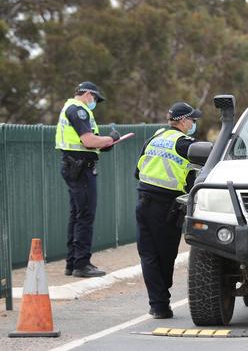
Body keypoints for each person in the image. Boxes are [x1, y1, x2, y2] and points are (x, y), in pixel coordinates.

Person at [134, 102, 202, 319]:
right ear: (182, 121)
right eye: (192, 120)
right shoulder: (184, 144)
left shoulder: (154, 138)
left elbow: (137, 171)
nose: (194, 124)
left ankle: (158, 305)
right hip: (166, 206)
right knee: (165, 255)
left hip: (143, 201)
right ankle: (161, 302)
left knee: (148, 255)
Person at [55, 81, 120, 278]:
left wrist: (105, 144)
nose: (95, 103)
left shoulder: (70, 108)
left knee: (77, 214)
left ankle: (72, 262)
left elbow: (88, 143)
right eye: (95, 99)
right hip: (81, 169)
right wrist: (110, 139)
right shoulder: (78, 110)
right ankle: (81, 264)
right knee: (85, 216)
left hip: (75, 166)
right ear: (88, 94)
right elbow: (88, 140)